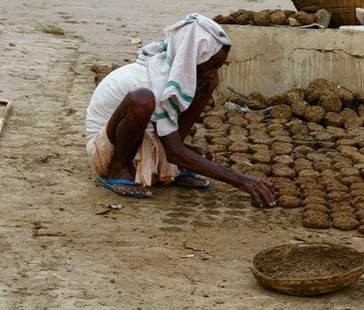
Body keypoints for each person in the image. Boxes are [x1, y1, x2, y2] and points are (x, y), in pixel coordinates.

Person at [85, 13, 275, 208]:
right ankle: (118, 169)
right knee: (142, 99)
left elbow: (173, 143)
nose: (212, 73)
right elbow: (174, 152)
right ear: (189, 59)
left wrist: (183, 149)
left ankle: (167, 165)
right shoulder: (154, 80)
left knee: (208, 84)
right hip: (105, 151)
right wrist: (242, 180)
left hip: (142, 142)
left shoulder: (182, 74)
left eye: (217, 67)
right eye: (210, 66)